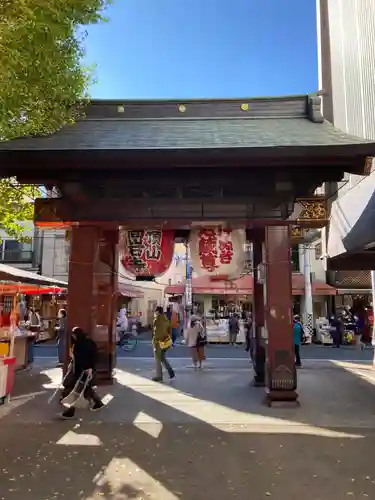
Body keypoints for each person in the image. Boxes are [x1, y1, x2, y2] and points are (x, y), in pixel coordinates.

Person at [60, 326, 104, 419]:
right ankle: (98, 403)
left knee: (76, 390)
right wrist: (90, 368)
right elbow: (94, 356)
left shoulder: (80, 344)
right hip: (85, 369)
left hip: (83, 370)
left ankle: (70, 412)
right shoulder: (88, 343)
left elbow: (83, 358)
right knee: (86, 388)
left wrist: (88, 368)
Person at [152, 307, 175, 382]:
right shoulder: (166, 319)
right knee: (162, 357)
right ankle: (170, 371)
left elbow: (156, 332)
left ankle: (159, 376)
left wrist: (155, 341)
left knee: (158, 359)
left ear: (157, 312)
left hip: (159, 342)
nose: (155, 313)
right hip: (166, 341)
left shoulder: (157, 319)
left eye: (155, 312)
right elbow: (169, 330)